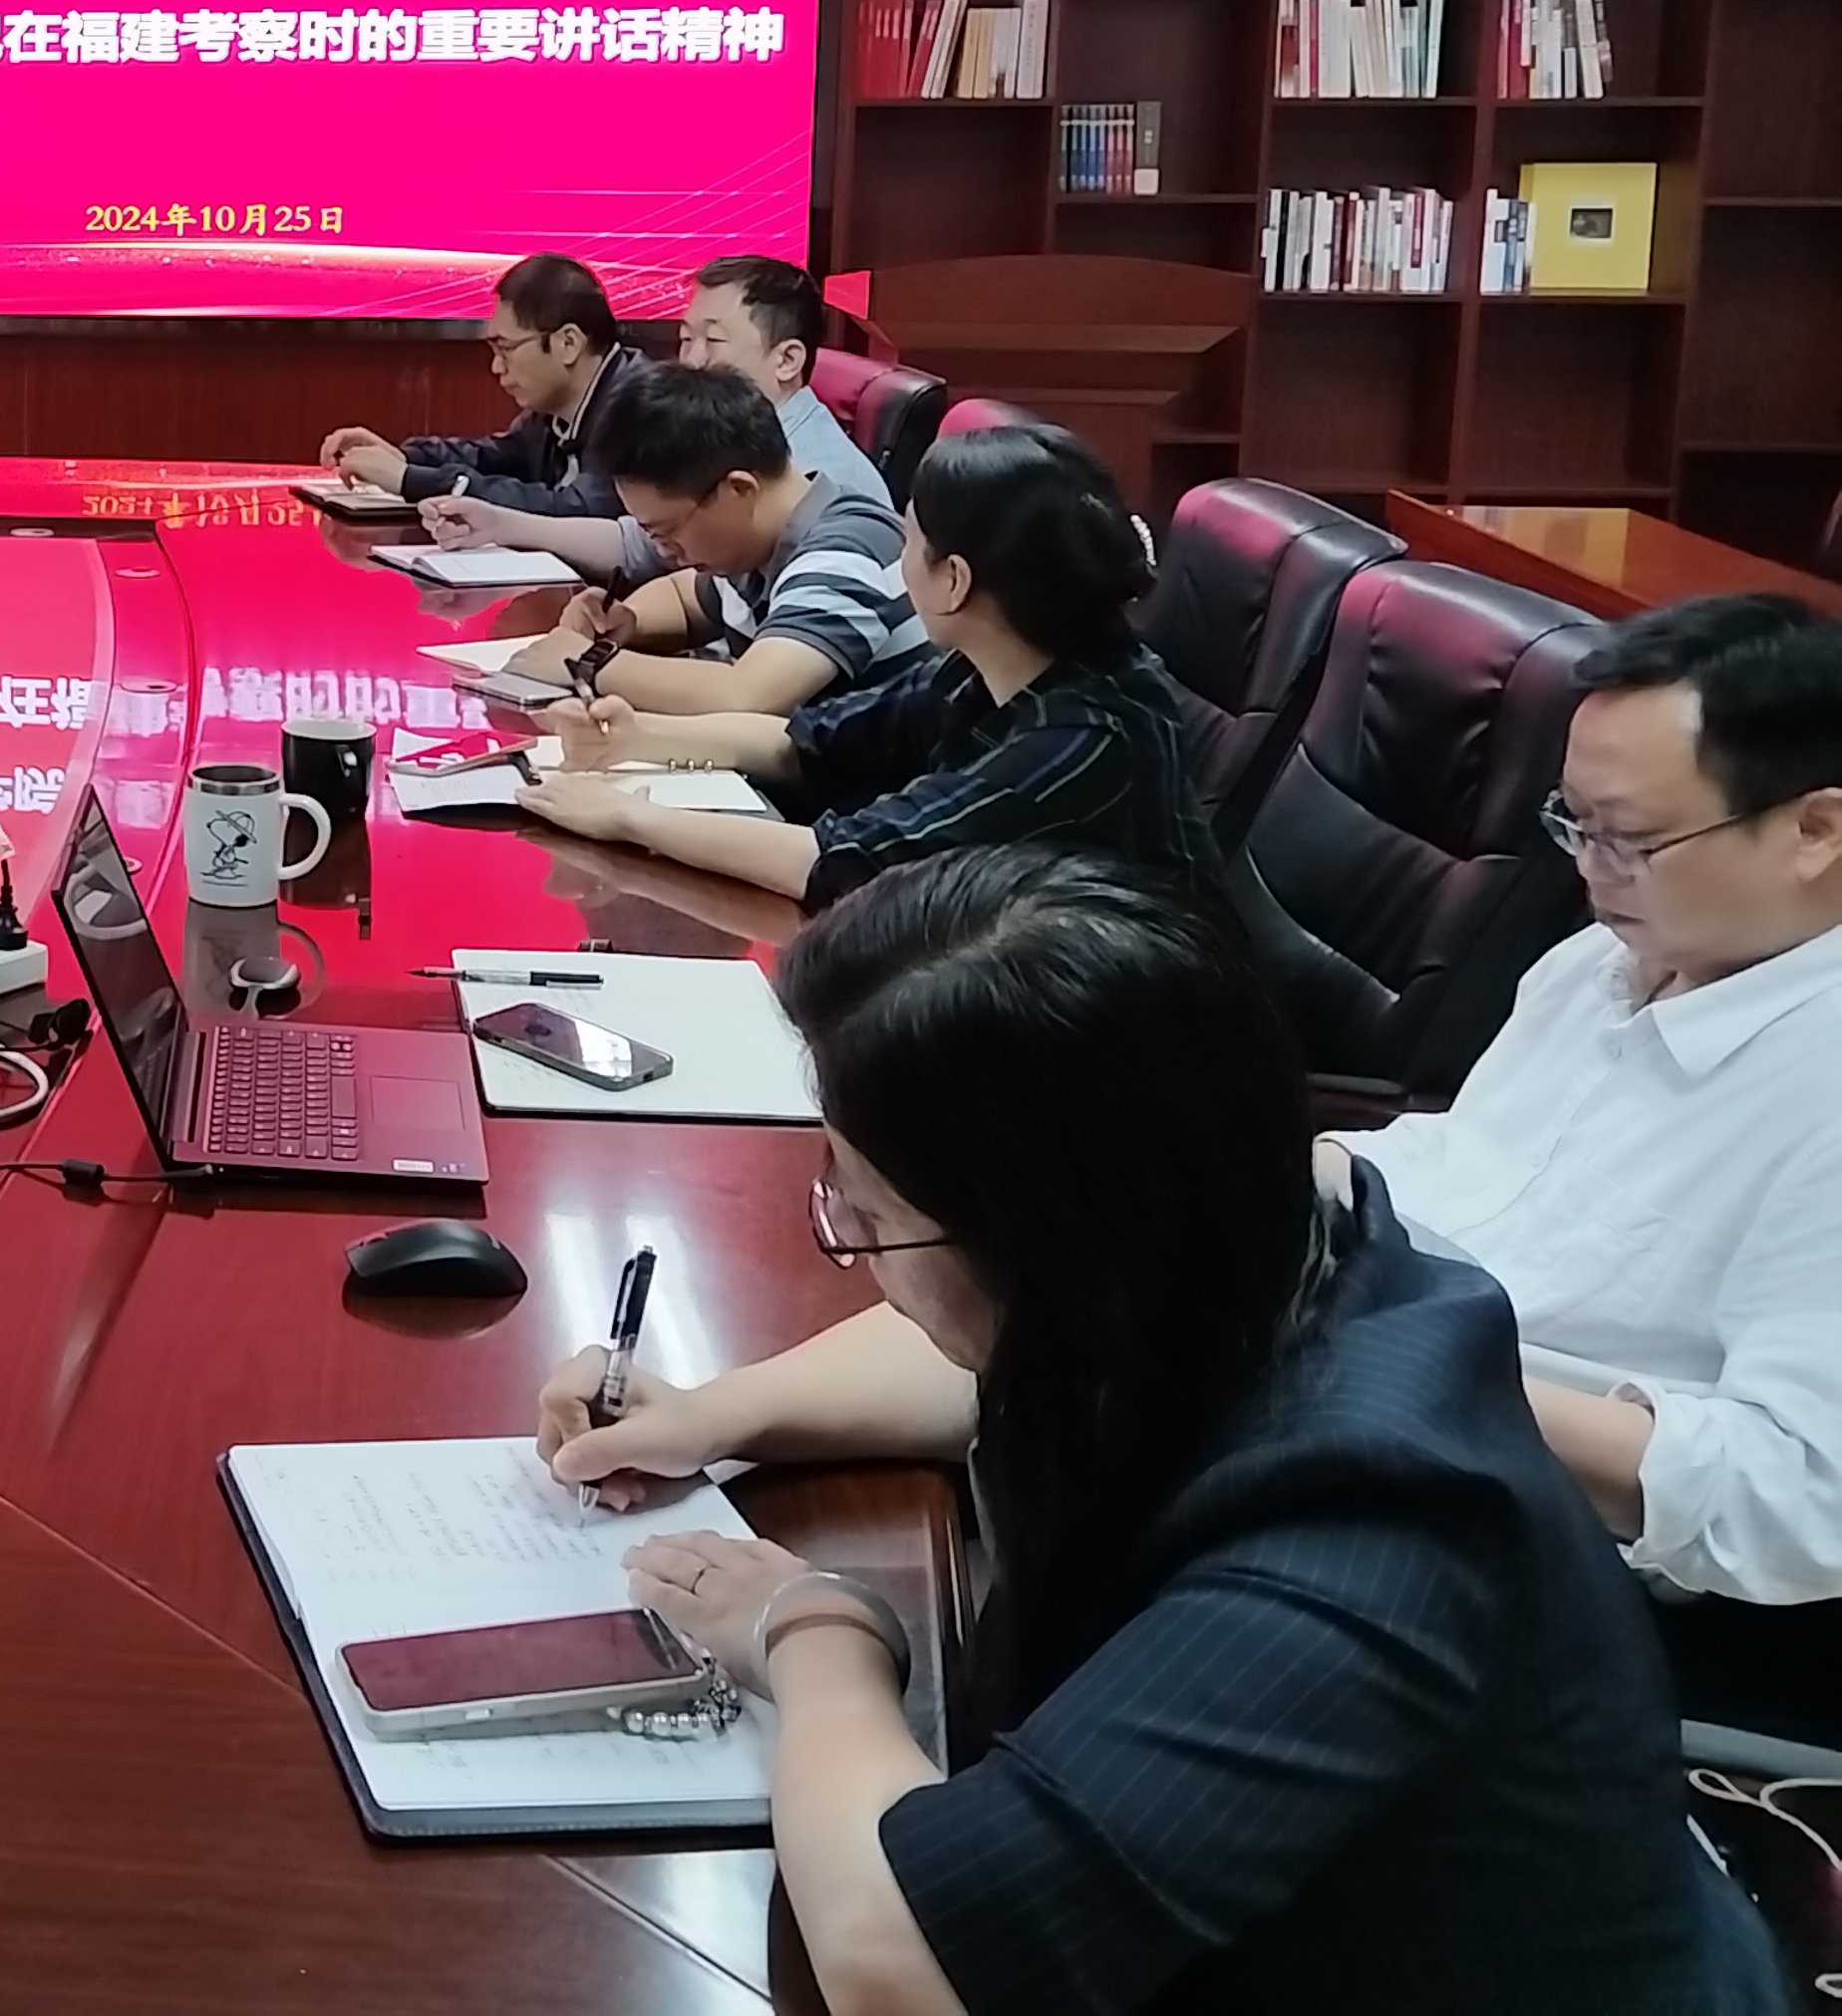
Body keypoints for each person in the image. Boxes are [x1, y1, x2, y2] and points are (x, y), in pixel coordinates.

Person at [540, 845, 1783, 2016]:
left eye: (867, 1215)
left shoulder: (1371, 1535)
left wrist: (813, 1632)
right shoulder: (1258, 1232)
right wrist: (717, 1411)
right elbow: (994, 1354)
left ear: (1051, 1245)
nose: (856, 1252)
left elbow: (900, 1962)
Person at [1339, 593, 1842, 1749]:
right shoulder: (1601, 964)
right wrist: (1311, 1173)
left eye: (1631, 839)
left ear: (1816, 829)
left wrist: (1402, 1365)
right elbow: (1473, 1169)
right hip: (1404, 1419)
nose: (1588, 871)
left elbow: (1794, 1497)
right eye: (1573, 824)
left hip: (1588, 1589)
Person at [509, 418, 1220, 911]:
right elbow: (809, 742)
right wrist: (639, 738)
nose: (895, 560)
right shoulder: (985, 665)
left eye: (909, 541)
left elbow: (843, 861)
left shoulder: (1084, 739)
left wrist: (629, 818)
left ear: (955, 581)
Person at [424, 252, 885, 580]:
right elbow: (639, 547)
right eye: (686, 339)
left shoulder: (824, 482)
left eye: (714, 342)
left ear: (787, 360)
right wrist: (499, 523)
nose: (692, 360)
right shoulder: (722, 439)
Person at [493, 366, 915, 718]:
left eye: (666, 531)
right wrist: (624, 622)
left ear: (738, 490)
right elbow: (684, 597)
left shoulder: (845, 549)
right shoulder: (753, 545)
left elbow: (750, 693)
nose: (663, 551)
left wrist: (588, 663)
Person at [317, 253, 644, 510]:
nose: (496, 367)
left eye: (506, 349)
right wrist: (405, 458)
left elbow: (579, 510)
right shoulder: (551, 412)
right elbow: (491, 459)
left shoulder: (641, 407)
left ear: (568, 343)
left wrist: (411, 480)